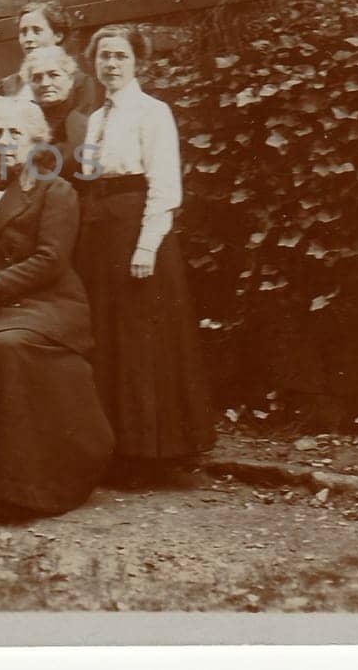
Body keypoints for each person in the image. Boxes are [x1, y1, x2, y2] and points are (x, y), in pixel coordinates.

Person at [0, 96, 114, 514]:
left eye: (15, 133)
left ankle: (32, 488)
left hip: (49, 301)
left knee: (6, 347)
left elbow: (51, 260)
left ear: (37, 141)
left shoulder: (57, 190)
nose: (5, 142)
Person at [76, 24, 215, 483]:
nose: (111, 65)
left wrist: (146, 245)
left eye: (120, 57)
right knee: (111, 341)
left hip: (137, 235)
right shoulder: (95, 120)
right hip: (100, 237)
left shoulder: (154, 113)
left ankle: (154, 453)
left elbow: (164, 184)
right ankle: (118, 450)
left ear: (137, 63)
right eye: (104, 57)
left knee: (142, 344)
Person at [0, 1, 100, 114]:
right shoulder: (8, 86)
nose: (28, 38)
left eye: (37, 31)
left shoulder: (80, 83)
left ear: (58, 35)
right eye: (23, 32)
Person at [24, 44, 92, 170]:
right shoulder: (22, 121)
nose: (45, 83)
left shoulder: (78, 123)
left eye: (53, 75)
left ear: (70, 79)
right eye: (37, 78)